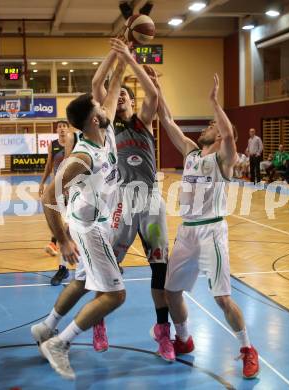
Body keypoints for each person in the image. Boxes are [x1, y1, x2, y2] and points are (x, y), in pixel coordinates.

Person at [147, 68, 259, 378]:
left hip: (212, 230)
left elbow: (230, 135)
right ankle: (184, 339)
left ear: (221, 134)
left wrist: (214, 102)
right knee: (171, 292)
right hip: (187, 231)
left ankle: (248, 349)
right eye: (211, 123)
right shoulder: (191, 153)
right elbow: (167, 120)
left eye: (214, 124)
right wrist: (156, 88)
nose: (209, 126)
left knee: (222, 298)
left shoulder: (224, 158)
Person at [31, 42, 126, 380]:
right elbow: (47, 198)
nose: (104, 103)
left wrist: (122, 53)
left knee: (84, 282)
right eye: (98, 105)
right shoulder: (83, 156)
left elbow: (113, 85)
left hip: (93, 223)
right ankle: (59, 343)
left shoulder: (107, 128)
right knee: (115, 295)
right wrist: (62, 239)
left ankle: (46, 327)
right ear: (93, 118)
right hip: (90, 229)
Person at [87, 38, 173, 360]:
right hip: (121, 202)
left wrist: (131, 60)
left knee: (160, 268)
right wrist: (116, 56)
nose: (120, 95)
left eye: (125, 94)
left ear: (133, 102)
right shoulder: (107, 127)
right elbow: (98, 83)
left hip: (149, 200)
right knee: (111, 267)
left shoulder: (143, 122)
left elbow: (153, 94)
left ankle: (163, 333)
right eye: (118, 93)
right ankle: (99, 323)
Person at [39, 120, 71, 286]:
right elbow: (49, 165)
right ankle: (62, 267)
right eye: (59, 126)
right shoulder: (53, 145)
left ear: (68, 129)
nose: (62, 128)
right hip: (57, 189)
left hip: (74, 190)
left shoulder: (75, 143)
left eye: (64, 126)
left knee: (77, 229)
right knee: (63, 227)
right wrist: (42, 182)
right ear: (57, 129)